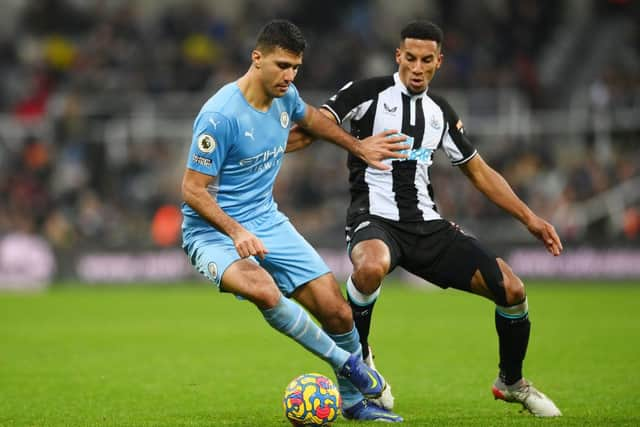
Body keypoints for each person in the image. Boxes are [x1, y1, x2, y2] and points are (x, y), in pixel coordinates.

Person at [287, 20, 563, 417]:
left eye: (426, 60)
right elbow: (314, 126)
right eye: (410, 58)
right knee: (370, 266)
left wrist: (531, 219)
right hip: (373, 218)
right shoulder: (367, 93)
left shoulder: (440, 113)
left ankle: (512, 381)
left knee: (513, 291)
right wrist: (268, 150)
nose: (417, 67)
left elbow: (479, 171)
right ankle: (360, 360)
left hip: (428, 227)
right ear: (398, 56)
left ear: (439, 62)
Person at [180, 20, 408, 422]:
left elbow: (314, 120)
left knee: (337, 310)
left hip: (267, 220)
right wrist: (236, 232)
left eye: (296, 68)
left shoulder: (285, 95)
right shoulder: (219, 116)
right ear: (257, 58)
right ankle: (349, 364)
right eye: (282, 65)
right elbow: (192, 189)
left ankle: (354, 404)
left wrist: (357, 146)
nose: (289, 75)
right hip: (212, 231)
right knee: (263, 290)